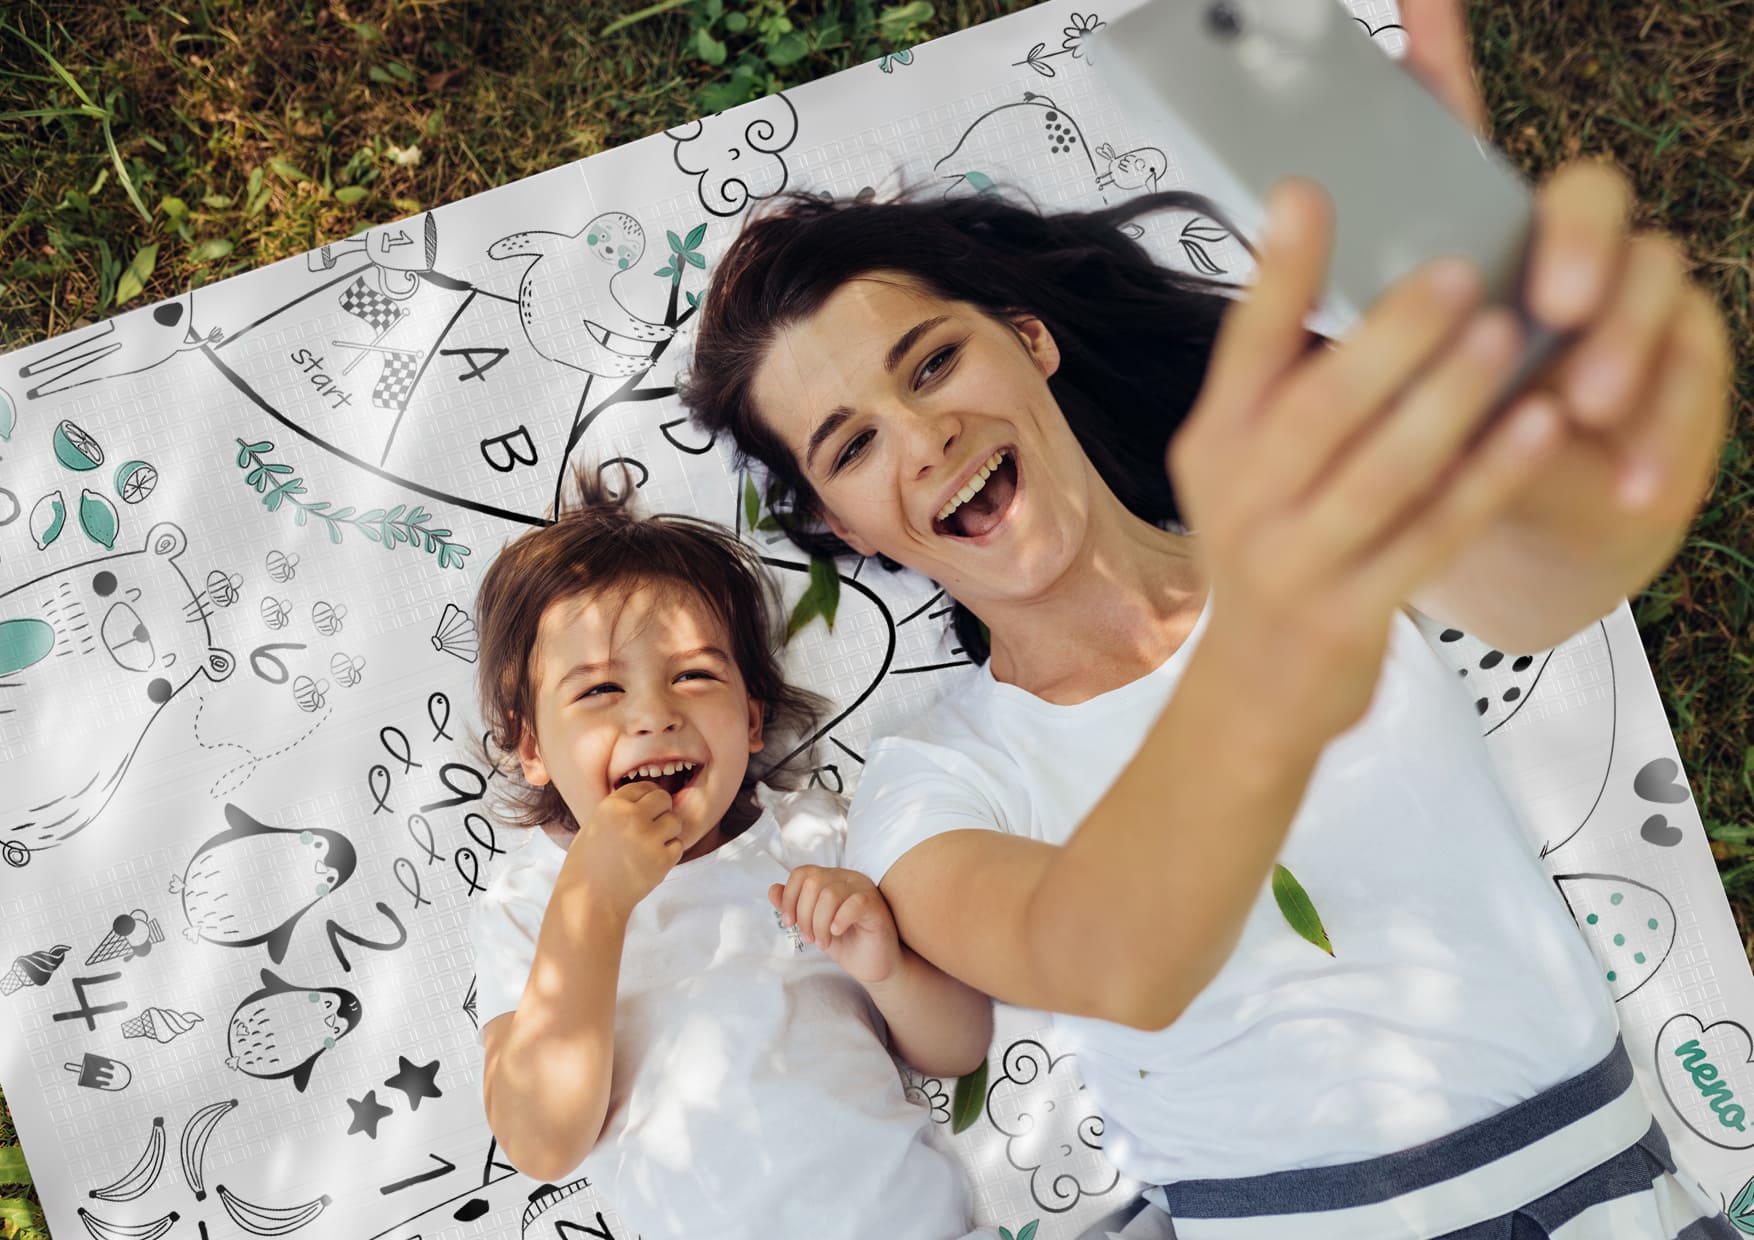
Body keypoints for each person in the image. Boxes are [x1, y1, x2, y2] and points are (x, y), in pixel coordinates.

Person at [676, 4, 1735, 1234]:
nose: (925, 441)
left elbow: (1547, 581)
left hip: (1613, 1193)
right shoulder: (931, 779)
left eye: (930, 364)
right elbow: (1117, 954)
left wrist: (1478, 301)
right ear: (844, 526)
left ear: (1029, 341)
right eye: (853, 445)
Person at [467, 467, 995, 1238]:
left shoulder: (818, 837)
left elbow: (959, 1045)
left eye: (693, 676)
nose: (654, 714)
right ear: (531, 746)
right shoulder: (529, 903)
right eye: (599, 691)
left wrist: (887, 967)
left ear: (751, 722)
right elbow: (542, 1142)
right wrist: (593, 901)